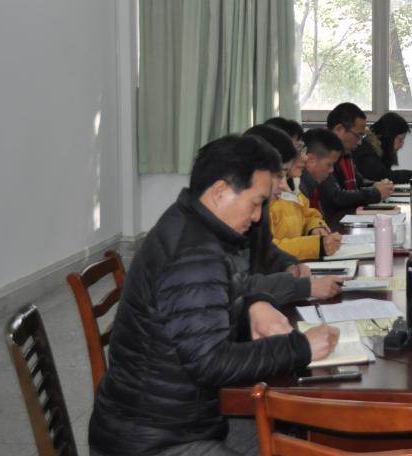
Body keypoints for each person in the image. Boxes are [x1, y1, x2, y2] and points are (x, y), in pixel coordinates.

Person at [89, 134, 340, 456]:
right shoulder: (192, 254)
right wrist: (301, 347)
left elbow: (216, 299)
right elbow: (211, 362)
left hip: (164, 419)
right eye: (255, 203)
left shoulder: (191, 224)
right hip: (156, 440)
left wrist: (255, 304)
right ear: (220, 191)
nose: (257, 217)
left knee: (291, 435)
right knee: (297, 440)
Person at [246, 124, 342, 262]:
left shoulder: (292, 186)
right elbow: (266, 250)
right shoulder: (262, 199)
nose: (304, 157)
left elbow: (307, 214)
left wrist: (313, 227)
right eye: (298, 149)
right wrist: (317, 246)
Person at [317, 102, 395, 213]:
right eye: (358, 135)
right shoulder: (321, 151)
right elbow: (335, 197)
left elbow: (359, 181)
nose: (359, 142)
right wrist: (375, 193)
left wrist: (376, 185)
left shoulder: (346, 153)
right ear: (339, 129)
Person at [353, 112, 412, 183]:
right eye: (400, 140)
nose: (402, 145)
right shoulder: (365, 152)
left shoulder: (379, 150)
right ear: (389, 136)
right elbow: (383, 176)